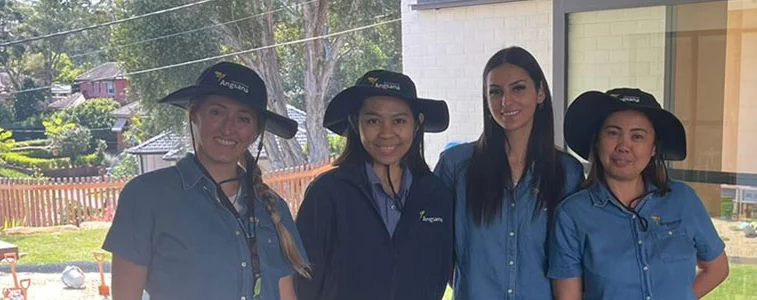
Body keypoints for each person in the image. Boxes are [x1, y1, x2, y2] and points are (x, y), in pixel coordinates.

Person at [103, 62, 310, 300]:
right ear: (194, 114)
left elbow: (285, 294)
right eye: (216, 112)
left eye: (243, 119)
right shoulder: (147, 197)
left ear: (255, 132)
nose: (228, 128)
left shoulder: (273, 207)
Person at [549, 88, 730, 299]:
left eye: (637, 136)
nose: (624, 146)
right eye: (613, 133)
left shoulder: (683, 200)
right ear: (597, 141)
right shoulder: (572, 214)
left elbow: (717, 268)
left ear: (654, 148)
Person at [434, 46, 583, 300]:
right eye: (495, 92)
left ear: (540, 93)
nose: (506, 102)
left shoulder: (567, 172)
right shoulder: (456, 165)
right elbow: (435, 246)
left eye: (518, 88)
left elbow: (573, 260)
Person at [294, 70, 454, 300]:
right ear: (354, 123)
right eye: (373, 121)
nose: (386, 133)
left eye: (399, 120)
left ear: (417, 124)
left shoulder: (436, 195)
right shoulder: (328, 192)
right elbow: (304, 278)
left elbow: (442, 270)